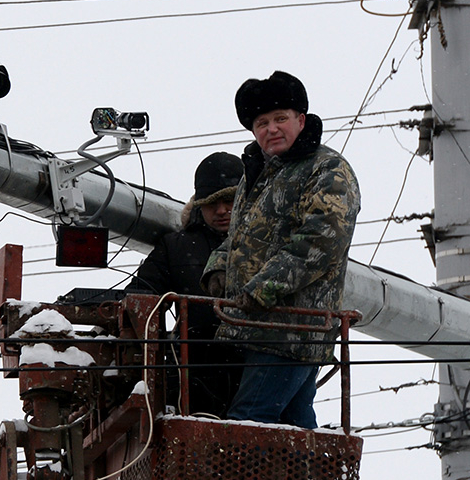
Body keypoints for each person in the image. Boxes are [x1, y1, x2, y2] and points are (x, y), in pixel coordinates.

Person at [202, 70, 360, 429]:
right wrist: (218, 269)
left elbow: (321, 242)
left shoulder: (328, 169)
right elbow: (241, 237)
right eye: (262, 123)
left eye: (280, 119)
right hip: (262, 327)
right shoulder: (258, 175)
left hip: (291, 329)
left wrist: (261, 288)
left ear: (300, 121)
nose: (271, 129)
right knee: (292, 423)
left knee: (249, 421)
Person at [127, 152, 244, 417]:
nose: (222, 210)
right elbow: (140, 295)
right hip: (194, 374)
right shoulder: (176, 247)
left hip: (256, 367)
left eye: (229, 200)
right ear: (199, 205)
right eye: (212, 203)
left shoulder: (265, 244)